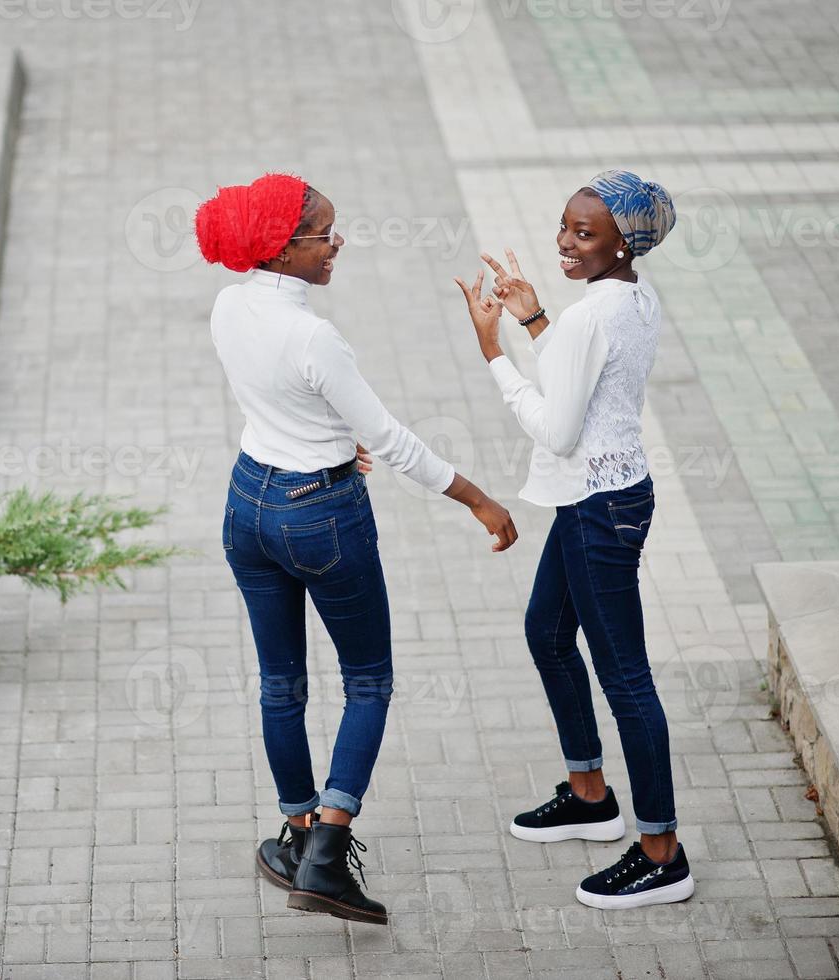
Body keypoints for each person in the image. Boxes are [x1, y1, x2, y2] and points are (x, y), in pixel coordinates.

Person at [197, 172, 518, 924]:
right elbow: (392, 442)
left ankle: (297, 829)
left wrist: (330, 439)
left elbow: (277, 398)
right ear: (283, 248)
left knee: (280, 681)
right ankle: (328, 860)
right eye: (324, 235)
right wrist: (478, 498)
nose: (336, 244)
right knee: (367, 679)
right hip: (321, 516)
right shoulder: (312, 334)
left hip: (247, 503)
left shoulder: (227, 302)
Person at [454, 170, 694, 910]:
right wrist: (532, 323)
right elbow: (575, 376)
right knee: (547, 635)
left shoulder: (595, 314)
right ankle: (589, 795)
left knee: (626, 681)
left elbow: (557, 426)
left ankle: (661, 853)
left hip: (599, 508)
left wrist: (492, 352)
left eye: (584, 234)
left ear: (626, 244)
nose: (563, 241)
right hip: (596, 496)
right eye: (563, 225)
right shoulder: (626, 298)